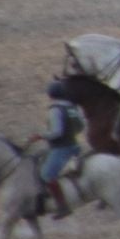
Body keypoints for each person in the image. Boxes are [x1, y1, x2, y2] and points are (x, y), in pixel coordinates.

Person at [40, 80, 84, 219]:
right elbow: (81, 127)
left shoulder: (55, 110)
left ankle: (62, 206)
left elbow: (56, 132)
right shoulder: (72, 108)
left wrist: (41, 135)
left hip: (62, 148)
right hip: (75, 146)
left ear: (51, 95)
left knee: (47, 175)